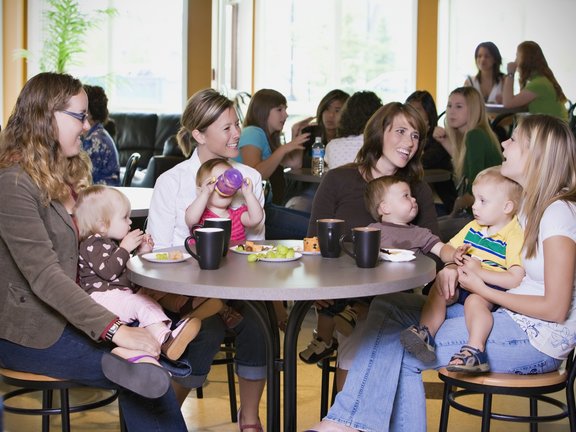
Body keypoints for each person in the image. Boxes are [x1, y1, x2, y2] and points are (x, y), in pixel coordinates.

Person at [308, 114, 576, 432]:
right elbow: (477, 250)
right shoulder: (530, 204)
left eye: (514, 140)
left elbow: (555, 308)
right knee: (387, 306)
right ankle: (351, 423)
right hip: (507, 316)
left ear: (537, 155)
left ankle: (346, 424)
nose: (504, 142)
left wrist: (481, 287)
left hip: (534, 340)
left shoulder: (557, 212)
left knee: (405, 350)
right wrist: (452, 267)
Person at [0, 72, 189, 430]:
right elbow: (45, 276)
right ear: (47, 116)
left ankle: (141, 359)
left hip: (74, 316)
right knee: (146, 374)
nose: (87, 126)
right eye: (80, 116)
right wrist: (116, 329)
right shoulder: (13, 183)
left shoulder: (62, 176)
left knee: (149, 369)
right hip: (32, 332)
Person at [148, 88, 267, 431]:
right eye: (226, 128)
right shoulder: (172, 182)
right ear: (198, 134)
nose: (237, 134)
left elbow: (255, 245)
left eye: (236, 124)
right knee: (209, 327)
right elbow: (158, 252)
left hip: (235, 288)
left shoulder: (250, 178)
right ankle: (167, 414)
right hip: (182, 292)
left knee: (257, 323)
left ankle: (250, 418)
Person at [303, 102, 440, 387]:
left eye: (415, 136)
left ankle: (347, 419)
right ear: (379, 132)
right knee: (360, 329)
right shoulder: (338, 180)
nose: (409, 143)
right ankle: (348, 420)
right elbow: (313, 241)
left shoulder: (417, 191)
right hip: (341, 290)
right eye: (401, 131)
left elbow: (432, 254)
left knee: (368, 327)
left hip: (395, 292)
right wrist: (318, 287)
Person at [300, 175, 454, 365]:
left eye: (412, 196)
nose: (414, 200)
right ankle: (323, 340)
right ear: (385, 208)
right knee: (331, 303)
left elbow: (441, 249)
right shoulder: (372, 230)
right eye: (406, 196)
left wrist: (454, 255)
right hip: (367, 284)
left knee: (376, 303)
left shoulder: (419, 234)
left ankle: (352, 314)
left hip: (397, 288)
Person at [400, 166, 525, 373]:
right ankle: (426, 333)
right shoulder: (475, 227)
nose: (475, 206)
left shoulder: (513, 234)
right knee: (441, 286)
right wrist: (455, 255)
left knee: (475, 302)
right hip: (464, 279)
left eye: (483, 201)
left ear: (507, 207)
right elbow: (449, 247)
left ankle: (475, 349)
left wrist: (479, 274)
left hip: (491, 287)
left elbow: (515, 279)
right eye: (475, 199)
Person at [74, 185, 204, 362]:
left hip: (118, 294)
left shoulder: (109, 243)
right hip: (102, 299)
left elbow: (123, 268)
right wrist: (125, 248)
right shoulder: (92, 244)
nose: (129, 222)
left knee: (152, 292)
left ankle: (186, 306)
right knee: (142, 303)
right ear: (102, 225)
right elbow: (109, 272)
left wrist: (142, 252)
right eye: (124, 217)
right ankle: (166, 340)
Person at [235, 88, 312, 239]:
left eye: (285, 109)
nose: (285, 114)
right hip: (251, 212)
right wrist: (283, 149)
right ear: (263, 111)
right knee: (314, 229)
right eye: (279, 109)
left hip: (265, 207)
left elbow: (295, 163)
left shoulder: (267, 137)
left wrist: (297, 133)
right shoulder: (253, 132)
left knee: (315, 222)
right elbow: (255, 174)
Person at [433, 86, 503, 240]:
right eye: (449, 106)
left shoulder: (474, 136)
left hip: (483, 219)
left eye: (459, 107)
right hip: (488, 215)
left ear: (473, 110)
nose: (451, 111)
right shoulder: (479, 134)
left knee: (429, 231)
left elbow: (473, 188)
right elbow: (464, 162)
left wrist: (459, 203)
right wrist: (445, 140)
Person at [185, 158, 264, 245]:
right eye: (214, 182)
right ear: (200, 190)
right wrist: (205, 194)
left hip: (235, 258)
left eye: (229, 182)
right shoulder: (199, 217)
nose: (224, 186)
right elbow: (191, 221)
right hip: (205, 256)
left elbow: (256, 219)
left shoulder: (237, 216)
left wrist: (249, 194)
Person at [406, 90, 457, 214]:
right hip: (413, 202)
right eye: (409, 110)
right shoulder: (405, 137)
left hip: (438, 204)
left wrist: (420, 135)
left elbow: (420, 163)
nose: (412, 114)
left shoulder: (439, 138)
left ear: (428, 114)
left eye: (417, 110)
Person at [503, 40, 568, 121]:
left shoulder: (538, 84)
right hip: (553, 129)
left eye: (517, 56)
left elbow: (507, 103)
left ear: (526, 60)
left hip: (552, 131)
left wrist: (510, 73)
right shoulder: (542, 80)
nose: (515, 61)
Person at [324, 90, 382, 170]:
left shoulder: (332, 145)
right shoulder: (378, 145)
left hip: (339, 182)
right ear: (377, 117)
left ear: (345, 115)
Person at [81, 85, 121, 185]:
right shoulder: (98, 133)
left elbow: (80, 177)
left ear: (88, 112)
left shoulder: (95, 140)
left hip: (101, 195)